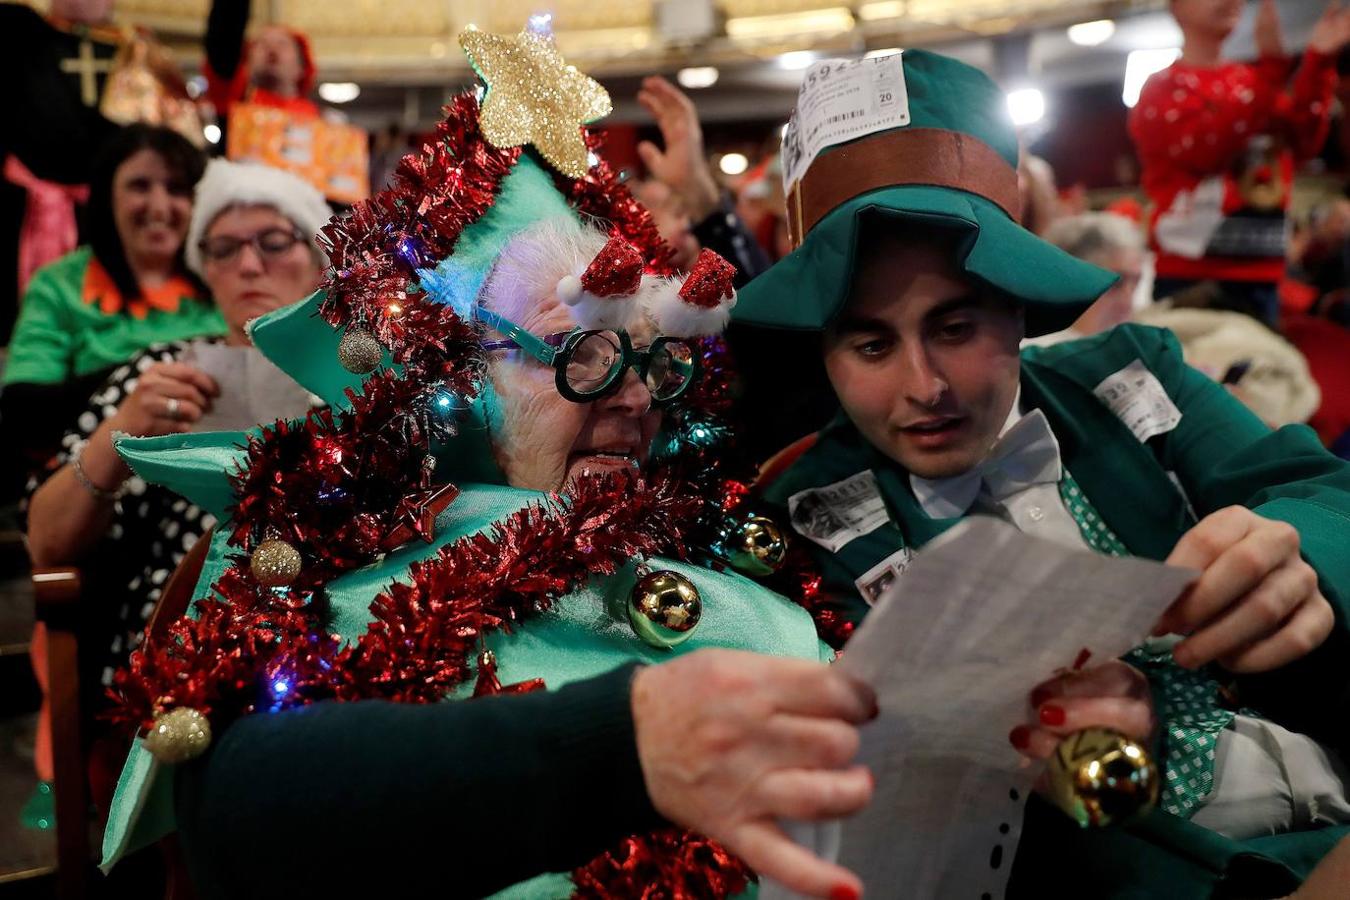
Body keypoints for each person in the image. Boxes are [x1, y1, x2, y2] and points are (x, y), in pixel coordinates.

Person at [96, 33, 875, 900]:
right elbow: (239, 816)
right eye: (580, 355)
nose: (632, 399)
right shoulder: (327, 556)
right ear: (456, 373)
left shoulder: (719, 532)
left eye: (649, 359)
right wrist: (620, 744)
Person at [737, 48, 1350, 897]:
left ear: (1018, 304)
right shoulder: (795, 526)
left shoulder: (1136, 376)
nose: (925, 388)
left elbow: (1324, 491)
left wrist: (1301, 558)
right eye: (873, 344)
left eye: (956, 327)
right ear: (824, 353)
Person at [1, 124, 222, 499]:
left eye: (177, 189)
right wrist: (137, 381)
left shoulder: (226, 276)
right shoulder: (58, 285)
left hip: (216, 488)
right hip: (97, 492)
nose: (159, 206)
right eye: (140, 186)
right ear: (107, 196)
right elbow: (25, 413)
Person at [1129, 0, 1350, 325]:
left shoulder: (1253, 83)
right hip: (1192, 277)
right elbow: (1206, 150)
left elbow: (1302, 142)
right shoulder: (1162, 89)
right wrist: (1274, 72)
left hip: (1262, 271)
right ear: (1177, 7)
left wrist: (1318, 61)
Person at [1037, 212, 1147, 342]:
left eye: (1135, 283)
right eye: (1115, 284)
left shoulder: (1135, 348)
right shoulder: (1033, 355)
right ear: (1069, 282)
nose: (1127, 302)